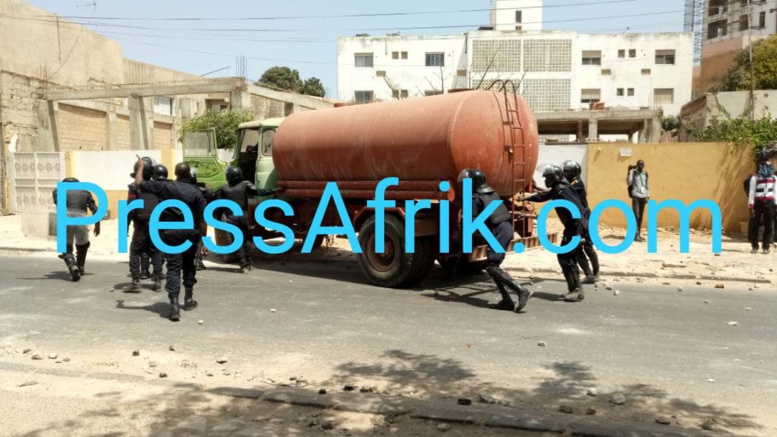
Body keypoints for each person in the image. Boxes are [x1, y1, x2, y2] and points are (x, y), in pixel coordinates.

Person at [134, 158, 207, 321]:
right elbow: (203, 220)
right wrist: (204, 241)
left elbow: (138, 183)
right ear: (189, 174)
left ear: (175, 173)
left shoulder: (166, 187)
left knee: (174, 267)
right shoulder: (196, 192)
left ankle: (174, 306)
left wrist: (140, 166)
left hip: (170, 233)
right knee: (189, 265)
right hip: (189, 234)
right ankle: (188, 299)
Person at [458, 168, 532, 312]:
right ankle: (506, 301)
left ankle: (521, 290)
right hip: (505, 229)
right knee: (492, 267)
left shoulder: (475, 198)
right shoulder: (492, 193)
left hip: (498, 231)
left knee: (492, 267)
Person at [519, 165, 587, 302]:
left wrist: (578, 234)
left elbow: (577, 211)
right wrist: (527, 197)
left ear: (554, 177)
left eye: (548, 178)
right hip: (573, 228)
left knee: (565, 258)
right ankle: (576, 289)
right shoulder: (558, 188)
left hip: (574, 228)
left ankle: (576, 289)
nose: (545, 181)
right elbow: (544, 195)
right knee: (567, 258)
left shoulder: (563, 190)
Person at [214, 166, 281, 273]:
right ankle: (249, 263)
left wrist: (218, 218)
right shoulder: (245, 185)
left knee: (237, 241)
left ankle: (243, 265)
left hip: (231, 218)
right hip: (244, 217)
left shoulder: (223, 189)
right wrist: (274, 190)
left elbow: (218, 205)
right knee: (246, 240)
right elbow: (259, 192)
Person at [126, 157, 163, 292]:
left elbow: (130, 208)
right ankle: (157, 282)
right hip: (156, 223)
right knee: (156, 251)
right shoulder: (158, 187)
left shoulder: (134, 187)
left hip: (141, 224)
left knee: (135, 251)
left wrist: (126, 224)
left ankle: (136, 282)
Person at [52, 177, 101, 281]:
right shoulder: (85, 192)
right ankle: (80, 266)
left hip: (66, 221)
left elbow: (59, 205)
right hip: (81, 221)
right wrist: (97, 225)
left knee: (65, 247)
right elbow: (95, 210)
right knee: (83, 245)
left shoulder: (58, 191)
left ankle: (72, 265)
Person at [562, 160, 599, 284]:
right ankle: (589, 274)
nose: (565, 174)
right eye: (564, 171)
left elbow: (565, 189)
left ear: (574, 172)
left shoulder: (577, 183)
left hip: (586, 218)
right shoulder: (570, 183)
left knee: (588, 247)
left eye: (568, 172)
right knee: (578, 248)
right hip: (579, 218)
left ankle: (596, 273)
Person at [747, 161, 777, 254]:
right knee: (755, 225)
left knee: (769, 225)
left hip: (770, 203)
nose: (768, 168)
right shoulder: (755, 178)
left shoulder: (774, 178)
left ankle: (766, 247)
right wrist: (751, 205)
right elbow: (751, 192)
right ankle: (754, 246)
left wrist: (776, 204)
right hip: (758, 202)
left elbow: (775, 192)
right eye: (766, 166)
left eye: (769, 166)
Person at [189, 167, 215, 271]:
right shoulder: (200, 190)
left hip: (185, 218)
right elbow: (211, 196)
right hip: (197, 218)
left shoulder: (180, 189)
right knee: (199, 239)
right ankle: (197, 260)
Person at [627, 160, 649, 242]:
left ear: (644, 165)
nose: (640, 166)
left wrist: (647, 195)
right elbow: (629, 183)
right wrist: (630, 172)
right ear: (636, 165)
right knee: (636, 215)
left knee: (640, 217)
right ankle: (635, 235)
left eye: (642, 164)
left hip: (643, 196)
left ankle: (638, 233)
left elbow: (647, 185)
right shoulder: (634, 173)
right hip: (636, 195)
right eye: (639, 164)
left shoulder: (645, 174)